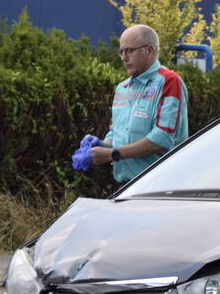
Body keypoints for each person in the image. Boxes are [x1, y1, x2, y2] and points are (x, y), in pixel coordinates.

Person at [77, 24, 188, 183]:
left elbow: (162, 138)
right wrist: (101, 146)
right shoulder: (122, 87)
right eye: (121, 52)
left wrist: (111, 154)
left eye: (129, 50)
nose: (123, 57)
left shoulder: (169, 81)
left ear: (149, 50)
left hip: (160, 186)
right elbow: (116, 135)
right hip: (125, 186)